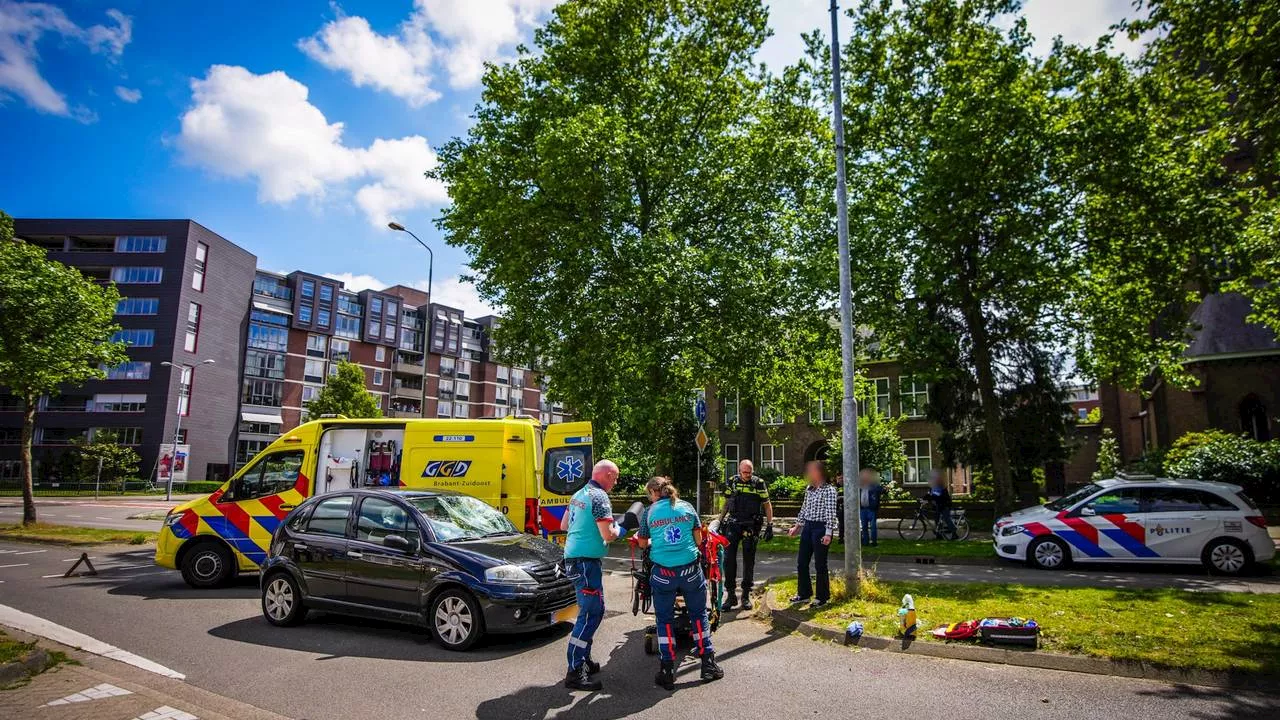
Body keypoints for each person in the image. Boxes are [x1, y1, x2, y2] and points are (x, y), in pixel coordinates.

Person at [636, 477, 724, 690]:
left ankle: (667, 669)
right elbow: (698, 540)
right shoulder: (687, 507)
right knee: (699, 615)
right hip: (690, 572)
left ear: (655, 493)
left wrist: (658, 541)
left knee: (664, 619)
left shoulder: (649, 512)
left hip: (663, 574)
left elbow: (642, 543)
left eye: (650, 494)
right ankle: (708, 663)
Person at [561, 459, 622, 691]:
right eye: (614, 478)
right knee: (590, 614)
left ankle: (583, 660)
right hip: (586, 564)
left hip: (577, 559)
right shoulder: (599, 497)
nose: (615, 483)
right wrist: (621, 527)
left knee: (594, 610)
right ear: (605, 475)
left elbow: (565, 524)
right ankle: (575, 670)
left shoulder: (578, 494)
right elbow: (608, 534)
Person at [718, 459, 773, 611]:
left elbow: (767, 505)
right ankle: (730, 596)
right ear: (739, 470)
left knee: (749, 560)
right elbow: (727, 503)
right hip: (734, 524)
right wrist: (719, 521)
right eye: (744, 472)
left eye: (749, 472)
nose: (747, 475)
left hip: (751, 525)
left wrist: (770, 525)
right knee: (728, 560)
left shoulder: (758, 483)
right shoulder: (732, 482)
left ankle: (745, 595)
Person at [788, 461, 837, 608]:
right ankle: (804, 593)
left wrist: (828, 533)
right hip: (808, 527)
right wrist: (797, 527)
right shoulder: (809, 489)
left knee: (820, 564)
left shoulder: (828, 490)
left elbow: (830, 513)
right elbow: (804, 510)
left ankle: (822, 597)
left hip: (821, 528)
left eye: (811, 470)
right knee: (802, 562)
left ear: (820, 473)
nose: (808, 473)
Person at [927, 470, 956, 540]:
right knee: (937, 520)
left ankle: (954, 534)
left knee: (946, 519)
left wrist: (930, 498)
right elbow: (929, 495)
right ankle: (939, 536)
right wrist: (923, 499)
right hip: (938, 506)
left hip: (944, 505)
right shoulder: (932, 487)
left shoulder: (940, 486)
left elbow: (937, 496)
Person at [859, 467, 884, 546]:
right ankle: (865, 542)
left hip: (871, 509)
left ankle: (874, 542)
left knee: (873, 526)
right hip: (862, 509)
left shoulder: (874, 486)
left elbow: (881, 490)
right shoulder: (860, 486)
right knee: (864, 526)